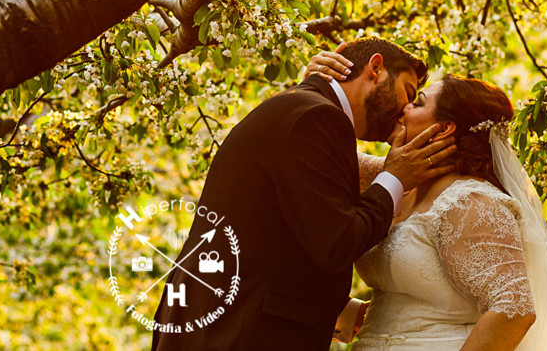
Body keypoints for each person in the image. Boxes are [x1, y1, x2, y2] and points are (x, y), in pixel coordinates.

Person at [150, 38, 457, 350]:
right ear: (375, 68)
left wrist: (346, 312)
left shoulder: (301, 108)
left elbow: (283, 239)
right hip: (239, 334)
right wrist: (395, 177)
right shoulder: (317, 117)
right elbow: (337, 242)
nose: (406, 110)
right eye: (407, 93)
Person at [308, 50, 547, 351]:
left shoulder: (471, 201)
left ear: (445, 129)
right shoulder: (398, 180)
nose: (402, 107)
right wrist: (320, 88)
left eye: (417, 103)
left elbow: (514, 309)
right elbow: (312, 150)